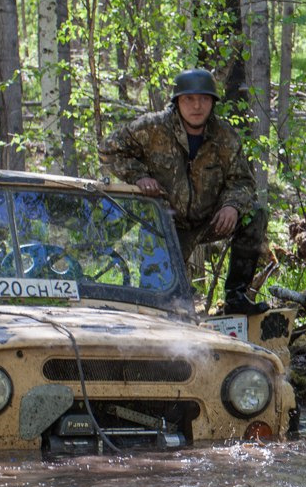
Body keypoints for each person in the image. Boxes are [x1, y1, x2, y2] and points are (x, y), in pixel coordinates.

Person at [101, 68, 270, 315]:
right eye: (189, 99)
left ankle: (236, 295)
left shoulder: (225, 136)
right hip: (166, 224)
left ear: (212, 102)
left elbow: (243, 181)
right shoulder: (152, 128)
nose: (197, 106)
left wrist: (231, 205)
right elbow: (109, 150)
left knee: (255, 214)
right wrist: (140, 176)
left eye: (203, 99)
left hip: (211, 219)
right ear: (177, 101)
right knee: (160, 302)